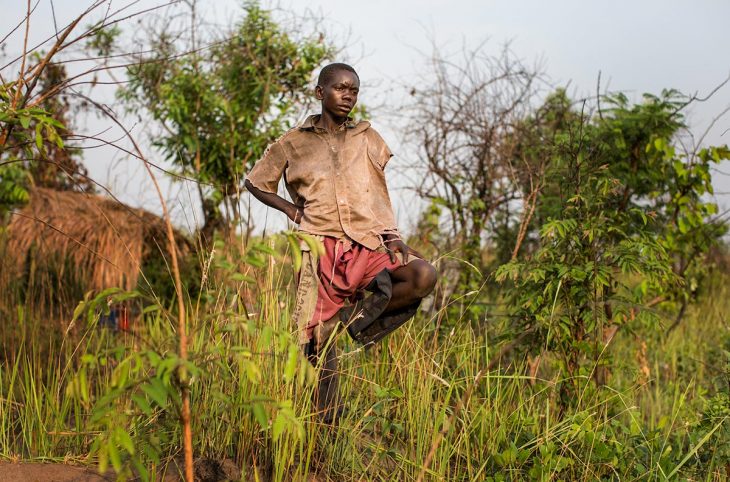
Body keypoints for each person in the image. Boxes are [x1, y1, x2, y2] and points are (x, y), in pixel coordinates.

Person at [244, 62, 437, 423]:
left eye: (354, 90)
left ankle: (350, 320)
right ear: (321, 93)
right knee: (315, 342)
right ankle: (323, 424)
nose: (348, 95)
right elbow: (255, 182)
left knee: (422, 276)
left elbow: (378, 191)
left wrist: (393, 236)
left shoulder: (368, 137)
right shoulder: (293, 142)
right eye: (340, 88)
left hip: (366, 243)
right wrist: (292, 210)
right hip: (318, 247)